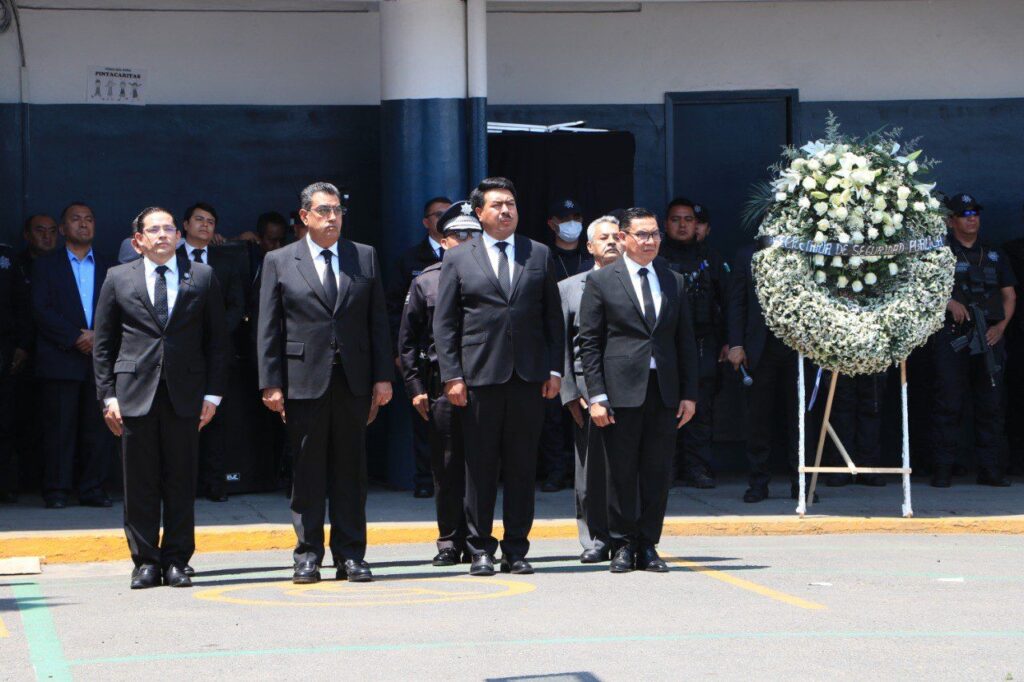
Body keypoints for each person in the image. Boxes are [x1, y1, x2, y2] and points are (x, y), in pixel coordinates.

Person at [258, 181, 392, 584]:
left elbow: (378, 322)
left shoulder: (363, 256)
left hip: (353, 379)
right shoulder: (280, 261)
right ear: (304, 216)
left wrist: (383, 377)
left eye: (336, 210)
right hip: (303, 379)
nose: (332, 218)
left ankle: (351, 555)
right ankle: (307, 554)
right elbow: (268, 326)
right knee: (308, 470)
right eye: (323, 211)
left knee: (352, 471)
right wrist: (271, 382)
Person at [433, 176, 564, 576]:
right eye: (497, 205)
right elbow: (446, 323)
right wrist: (452, 376)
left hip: (527, 377)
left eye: (511, 203)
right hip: (478, 379)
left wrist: (554, 369)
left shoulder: (537, 254)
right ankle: (479, 548)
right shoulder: (458, 257)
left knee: (523, 467)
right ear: (479, 213)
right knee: (480, 468)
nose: (505, 211)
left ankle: (516, 549)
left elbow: (552, 319)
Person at [94, 206, 228, 589]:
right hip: (133, 393)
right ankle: (145, 561)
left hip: (185, 393)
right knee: (139, 482)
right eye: (154, 230)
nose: (163, 235)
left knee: (181, 480)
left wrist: (213, 396)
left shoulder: (201, 276)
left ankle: (177, 560)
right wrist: (108, 396)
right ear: (138, 239)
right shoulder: (118, 277)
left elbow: (217, 342)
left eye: (169, 228)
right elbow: (103, 344)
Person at [578, 207, 697, 573]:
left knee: (657, 472)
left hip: (663, 392)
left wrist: (689, 394)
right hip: (620, 392)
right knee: (621, 472)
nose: (651, 240)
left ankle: (648, 543)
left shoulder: (672, 279)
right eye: (642, 234)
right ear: (624, 238)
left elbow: (685, 342)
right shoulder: (602, 281)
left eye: (655, 234)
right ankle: (623, 543)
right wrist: (596, 396)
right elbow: (590, 342)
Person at [398, 201, 480, 565]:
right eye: (457, 235)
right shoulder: (426, 280)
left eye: (471, 234)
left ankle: (479, 542)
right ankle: (449, 540)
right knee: (446, 468)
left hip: (486, 384)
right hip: (440, 387)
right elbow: (407, 342)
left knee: (481, 468)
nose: (464, 240)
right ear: (442, 240)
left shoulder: (492, 275)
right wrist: (416, 389)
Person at [929, 193, 1016, 487]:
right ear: (951, 221)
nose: (971, 218)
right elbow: (923, 290)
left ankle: (991, 470)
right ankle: (943, 469)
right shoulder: (940, 253)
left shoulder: (993, 253)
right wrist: (948, 302)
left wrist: (1001, 327)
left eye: (975, 213)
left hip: (989, 336)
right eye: (965, 214)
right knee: (949, 404)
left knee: (991, 406)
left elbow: (1009, 295)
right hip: (953, 337)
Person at [32, 203, 112, 509]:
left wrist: (97, 336)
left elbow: (121, 309)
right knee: (59, 430)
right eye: (76, 219)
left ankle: (93, 489)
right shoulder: (45, 265)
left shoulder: (110, 266)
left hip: (100, 358)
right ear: (63, 229)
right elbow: (41, 310)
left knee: (98, 429)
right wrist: (74, 336)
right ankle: (57, 491)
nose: (83, 224)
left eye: (89, 219)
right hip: (60, 356)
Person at [558, 215, 622, 563]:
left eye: (617, 236)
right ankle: (596, 539)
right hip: (585, 388)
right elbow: (562, 346)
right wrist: (569, 393)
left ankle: (624, 534)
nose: (612, 242)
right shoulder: (568, 288)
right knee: (591, 471)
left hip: (630, 385)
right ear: (590, 246)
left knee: (627, 467)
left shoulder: (639, 282)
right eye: (604, 237)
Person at [175, 202, 246, 502]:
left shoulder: (227, 260)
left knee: (215, 418)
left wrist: (216, 334)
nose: (205, 225)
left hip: (217, 352)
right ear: (185, 225)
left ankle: (215, 483)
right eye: (199, 220)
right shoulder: (171, 258)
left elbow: (237, 305)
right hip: (180, 351)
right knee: (180, 419)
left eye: (211, 221)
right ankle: (182, 486)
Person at [659, 198, 730, 488]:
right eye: (676, 219)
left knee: (700, 408)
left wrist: (728, 342)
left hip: (703, 342)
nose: (683, 224)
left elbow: (726, 302)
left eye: (688, 219)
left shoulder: (711, 257)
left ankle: (697, 467)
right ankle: (668, 469)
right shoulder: (656, 258)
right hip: (666, 344)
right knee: (665, 408)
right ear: (666, 224)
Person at [727, 242, 803, 503]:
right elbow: (736, 301)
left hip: (797, 349)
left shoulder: (804, 249)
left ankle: (801, 482)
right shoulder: (747, 253)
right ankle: (758, 482)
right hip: (758, 349)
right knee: (757, 420)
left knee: (801, 420)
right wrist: (735, 343)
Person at [387, 196, 452, 499]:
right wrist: (399, 351)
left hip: (457, 355)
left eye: (446, 214)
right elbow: (393, 309)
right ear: (426, 222)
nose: (441, 219)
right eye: (436, 215)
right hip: (423, 351)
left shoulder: (469, 257)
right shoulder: (410, 259)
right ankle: (426, 478)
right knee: (424, 418)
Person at [539, 198, 590, 493]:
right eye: (564, 216)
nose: (572, 222)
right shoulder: (542, 258)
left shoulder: (589, 257)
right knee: (553, 413)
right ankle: (556, 471)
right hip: (551, 341)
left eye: (576, 215)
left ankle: (580, 469)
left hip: (582, 339)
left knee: (584, 406)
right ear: (552, 223)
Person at [0, 240, 32, 502]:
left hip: (4, 347)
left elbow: (22, 304)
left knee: (5, 420)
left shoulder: (6, 255)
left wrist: (22, 345)